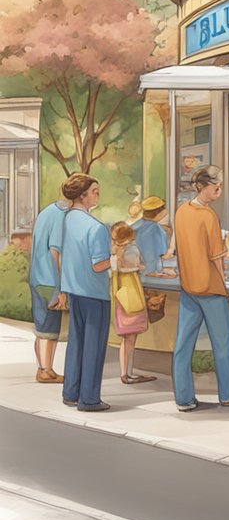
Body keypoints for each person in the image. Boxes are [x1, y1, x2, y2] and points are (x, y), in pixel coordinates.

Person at [170, 166, 229, 412]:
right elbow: (218, 256)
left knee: (183, 344)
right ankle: (228, 394)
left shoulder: (181, 211)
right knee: (223, 343)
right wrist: (225, 279)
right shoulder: (208, 216)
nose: (219, 189)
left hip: (188, 287)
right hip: (211, 288)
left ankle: (183, 398)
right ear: (202, 186)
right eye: (216, 185)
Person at [56, 173, 113, 412]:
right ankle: (89, 398)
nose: (98, 195)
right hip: (95, 292)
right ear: (82, 195)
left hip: (74, 290)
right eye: (95, 192)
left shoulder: (67, 220)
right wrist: (119, 259)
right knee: (94, 346)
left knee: (76, 343)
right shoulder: (96, 227)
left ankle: (71, 392)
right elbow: (99, 264)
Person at [28, 194, 70, 384]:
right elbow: (56, 252)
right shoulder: (60, 216)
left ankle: (43, 368)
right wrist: (60, 287)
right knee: (49, 327)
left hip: (37, 276)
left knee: (41, 325)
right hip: (50, 279)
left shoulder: (46, 212)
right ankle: (46, 370)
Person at [109, 222, 156, 385]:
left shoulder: (113, 255)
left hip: (120, 299)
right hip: (132, 297)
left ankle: (125, 372)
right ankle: (126, 373)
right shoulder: (132, 250)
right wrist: (140, 267)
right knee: (131, 338)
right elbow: (137, 265)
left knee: (126, 338)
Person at [131, 196, 171, 276]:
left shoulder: (135, 225)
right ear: (159, 212)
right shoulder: (155, 228)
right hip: (150, 272)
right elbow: (161, 253)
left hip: (136, 270)